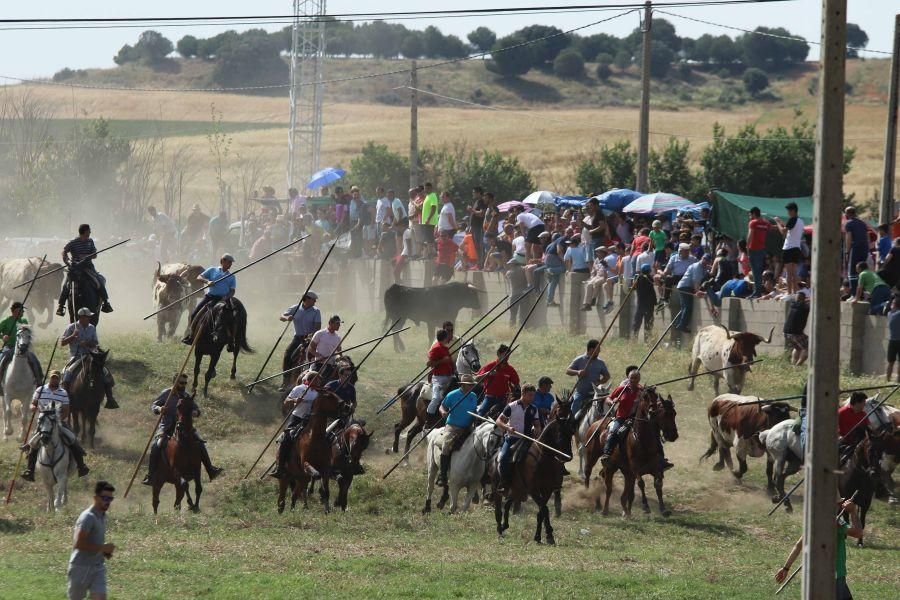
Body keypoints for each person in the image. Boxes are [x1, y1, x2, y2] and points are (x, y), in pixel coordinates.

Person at [141, 373, 222, 485]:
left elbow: (197, 409)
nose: (183, 385)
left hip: (184, 428)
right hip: (167, 426)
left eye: (185, 383)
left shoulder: (186, 396)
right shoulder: (166, 393)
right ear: (175, 382)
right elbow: (153, 405)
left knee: (200, 443)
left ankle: (210, 470)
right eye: (181, 382)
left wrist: (196, 412)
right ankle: (151, 475)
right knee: (156, 445)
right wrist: (159, 409)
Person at [774, 497, 863, 599]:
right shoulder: (836, 523)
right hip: (834, 576)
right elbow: (859, 533)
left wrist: (786, 568)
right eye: (838, 503)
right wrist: (853, 511)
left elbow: (799, 545)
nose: (840, 506)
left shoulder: (814, 521)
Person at [20, 370, 90, 481]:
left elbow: (66, 410)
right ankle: (30, 470)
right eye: (53, 378)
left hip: (59, 422)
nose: (54, 380)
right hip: (43, 423)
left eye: (56, 378)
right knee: (33, 443)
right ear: (49, 378)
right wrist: (33, 407)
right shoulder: (40, 390)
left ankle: (81, 466)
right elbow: (33, 404)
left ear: (59, 379)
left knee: (72, 438)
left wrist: (57, 420)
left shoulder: (63, 393)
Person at [599, 369, 673, 470]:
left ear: (639, 379)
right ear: (628, 379)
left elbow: (651, 400)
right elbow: (608, 398)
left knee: (654, 433)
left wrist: (651, 391)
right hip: (621, 417)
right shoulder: (622, 389)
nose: (633, 380)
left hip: (636, 418)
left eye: (636, 378)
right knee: (615, 431)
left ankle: (661, 458)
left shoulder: (642, 391)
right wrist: (612, 402)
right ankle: (607, 454)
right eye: (631, 378)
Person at [67, 480, 117, 600]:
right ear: (95, 498)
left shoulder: (102, 516)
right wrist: (102, 547)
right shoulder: (87, 517)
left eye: (110, 499)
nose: (108, 502)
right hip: (80, 567)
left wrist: (104, 551)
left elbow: (94, 542)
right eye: (105, 498)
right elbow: (78, 544)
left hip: (98, 567)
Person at [61, 308, 117, 409]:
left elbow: (95, 342)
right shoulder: (71, 327)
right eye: (87, 317)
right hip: (76, 356)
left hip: (91, 355)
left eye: (89, 317)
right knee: (67, 372)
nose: (89, 318)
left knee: (105, 372)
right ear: (81, 317)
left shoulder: (92, 327)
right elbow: (62, 342)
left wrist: (87, 343)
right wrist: (73, 336)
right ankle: (65, 397)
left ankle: (110, 398)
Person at [270, 370, 321, 479]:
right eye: (317, 380)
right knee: (286, 439)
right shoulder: (299, 389)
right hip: (297, 417)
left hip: (310, 420)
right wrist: (294, 400)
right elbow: (286, 401)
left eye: (319, 380)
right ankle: (280, 467)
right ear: (310, 380)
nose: (319, 382)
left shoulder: (317, 393)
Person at [57, 224, 113, 317]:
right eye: (89, 231)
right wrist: (68, 262)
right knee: (67, 285)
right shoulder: (73, 242)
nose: (90, 232)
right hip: (75, 268)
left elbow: (95, 255)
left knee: (99, 281)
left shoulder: (90, 241)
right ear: (84, 231)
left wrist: (88, 256)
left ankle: (106, 303)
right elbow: (64, 252)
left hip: (88, 267)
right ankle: (61, 306)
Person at [496, 383, 542, 493]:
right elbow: (499, 420)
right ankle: (503, 483)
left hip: (527, 439)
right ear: (523, 394)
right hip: (512, 438)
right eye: (530, 395)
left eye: (533, 395)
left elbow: (537, 424)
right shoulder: (512, 406)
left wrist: (537, 430)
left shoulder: (533, 408)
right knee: (503, 459)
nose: (532, 398)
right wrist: (507, 427)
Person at [182, 254, 236, 344]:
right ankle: (191, 336)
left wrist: (226, 297)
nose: (230, 264)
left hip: (223, 299)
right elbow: (199, 277)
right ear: (222, 261)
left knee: (232, 318)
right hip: (209, 297)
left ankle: (231, 341)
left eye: (231, 263)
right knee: (193, 315)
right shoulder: (212, 270)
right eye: (229, 262)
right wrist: (207, 282)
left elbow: (232, 291)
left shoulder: (231, 277)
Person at [436, 373, 479, 487]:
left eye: (472, 385)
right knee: (446, 446)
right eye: (469, 385)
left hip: (468, 427)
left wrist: (476, 414)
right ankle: (443, 475)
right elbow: (442, 406)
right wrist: (443, 412)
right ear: (463, 385)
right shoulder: (452, 395)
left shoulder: (473, 396)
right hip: (453, 426)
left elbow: (475, 410)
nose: (471, 387)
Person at [279, 291, 321, 390]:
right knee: (288, 355)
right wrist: (287, 318)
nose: (315, 302)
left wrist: (311, 335)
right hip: (298, 338)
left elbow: (318, 326)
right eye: (313, 300)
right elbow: (281, 317)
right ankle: (286, 380)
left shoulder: (316, 311)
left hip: (311, 338)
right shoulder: (295, 308)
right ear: (307, 299)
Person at [0, 301, 41, 392]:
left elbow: (28, 332)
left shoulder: (24, 321)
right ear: (15, 311)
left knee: (34, 360)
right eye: (21, 311)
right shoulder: (5, 321)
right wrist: (3, 336)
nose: (23, 313)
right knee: (2, 360)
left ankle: (39, 382)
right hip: (10, 347)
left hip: (23, 348)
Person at [565, 339, 610, 417]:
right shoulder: (579, 359)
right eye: (598, 349)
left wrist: (599, 382)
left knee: (606, 405)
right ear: (591, 349)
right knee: (576, 402)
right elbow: (568, 371)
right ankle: (571, 423)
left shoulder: (600, 363)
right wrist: (578, 372)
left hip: (595, 393)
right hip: (581, 393)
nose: (599, 352)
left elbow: (607, 376)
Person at [475, 344, 520, 417]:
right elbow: (477, 379)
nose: (507, 357)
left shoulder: (510, 370)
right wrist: (488, 374)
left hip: (503, 399)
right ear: (498, 354)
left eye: (508, 355)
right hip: (489, 397)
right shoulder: (490, 366)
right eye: (505, 355)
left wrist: (515, 391)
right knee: (480, 413)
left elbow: (516, 383)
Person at [673, 253, 711, 333]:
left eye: (707, 261)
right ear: (702, 258)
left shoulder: (702, 267)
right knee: (687, 307)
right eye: (704, 259)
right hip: (685, 286)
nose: (705, 262)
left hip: (684, 286)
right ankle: (682, 325)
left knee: (684, 307)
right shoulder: (698, 267)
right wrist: (697, 291)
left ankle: (678, 324)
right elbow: (696, 281)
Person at [774, 202, 804, 296]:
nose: (788, 213)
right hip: (796, 248)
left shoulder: (792, 219)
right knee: (794, 273)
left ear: (793, 211)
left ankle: (789, 293)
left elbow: (783, 232)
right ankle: (795, 293)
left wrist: (778, 222)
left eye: (789, 211)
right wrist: (782, 223)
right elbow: (790, 228)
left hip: (789, 248)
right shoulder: (800, 221)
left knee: (789, 273)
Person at [425, 329, 455, 421]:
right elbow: (429, 363)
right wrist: (442, 361)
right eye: (447, 336)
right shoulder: (436, 348)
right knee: (436, 398)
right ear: (445, 337)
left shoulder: (445, 348)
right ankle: (428, 419)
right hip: (438, 378)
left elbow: (449, 361)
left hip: (449, 376)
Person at [657, 243, 697, 309]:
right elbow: (667, 270)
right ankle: (666, 299)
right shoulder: (673, 258)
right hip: (676, 277)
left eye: (688, 251)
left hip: (687, 278)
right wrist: (661, 273)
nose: (687, 253)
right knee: (668, 278)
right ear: (680, 251)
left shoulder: (693, 259)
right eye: (686, 251)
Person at [844, 206, 870, 295]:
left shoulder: (849, 223)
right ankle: (861, 293)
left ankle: (853, 293)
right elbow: (867, 237)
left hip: (855, 248)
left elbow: (848, 238)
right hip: (865, 249)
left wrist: (847, 251)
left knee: (852, 271)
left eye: (845, 213)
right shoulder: (863, 223)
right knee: (862, 271)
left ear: (848, 213)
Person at [746, 207, 771, 298]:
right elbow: (772, 228)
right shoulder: (765, 223)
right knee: (759, 272)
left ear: (754, 214)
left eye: (750, 214)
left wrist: (747, 248)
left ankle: (757, 292)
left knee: (755, 272)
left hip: (753, 250)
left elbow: (750, 235)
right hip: (762, 249)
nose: (749, 216)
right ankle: (759, 291)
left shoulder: (753, 223)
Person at [784, 290, 810, 366]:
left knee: (797, 348)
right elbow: (812, 304)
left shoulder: (793, 304)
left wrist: (806, 299)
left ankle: (793, 365)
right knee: (808, 348)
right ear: (803, 299)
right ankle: (798, 365)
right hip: (796, 333)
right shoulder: (804, 307)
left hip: (786, 332)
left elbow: (802, 302)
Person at [632, 263, 657, 342]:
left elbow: (633, 287)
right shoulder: (648, 278)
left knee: (637, 322)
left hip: (640, 304)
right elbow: (652, 288)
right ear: (649, 270)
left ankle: (634, 338)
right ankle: (647, 340)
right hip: (649, 305)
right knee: (648, 323)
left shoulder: (638, 278)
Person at [468, 187, 487, 267]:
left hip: (479, 226)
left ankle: (481, 263)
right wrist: (470, 226)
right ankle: (479, 262)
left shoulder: (482, 202)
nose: (473, 194)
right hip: (474, 226)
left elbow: (482, 213)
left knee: (480, 245)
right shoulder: (476, 202)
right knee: (476, 246)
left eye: (474, 192)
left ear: (479, 193)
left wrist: (472, 210)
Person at [420, 182, 440, 253]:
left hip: (430, 221)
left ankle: (432, 253)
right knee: (428, 239)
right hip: (426, 222)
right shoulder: (427, 196)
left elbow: (433, 208)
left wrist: (428, 219)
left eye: (428, 188)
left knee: (430, 238)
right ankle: (430, 253)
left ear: (431, 188)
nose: (426, 190)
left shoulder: (432, 196)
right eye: (425, 188)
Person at [887, 297, 900, 382]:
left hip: (897, 340)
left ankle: (898, 380)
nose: (891, 304)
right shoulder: (890, 313)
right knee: (891, 362)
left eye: (893, 303)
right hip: (892, 340)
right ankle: (888, 379)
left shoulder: (897, 313)